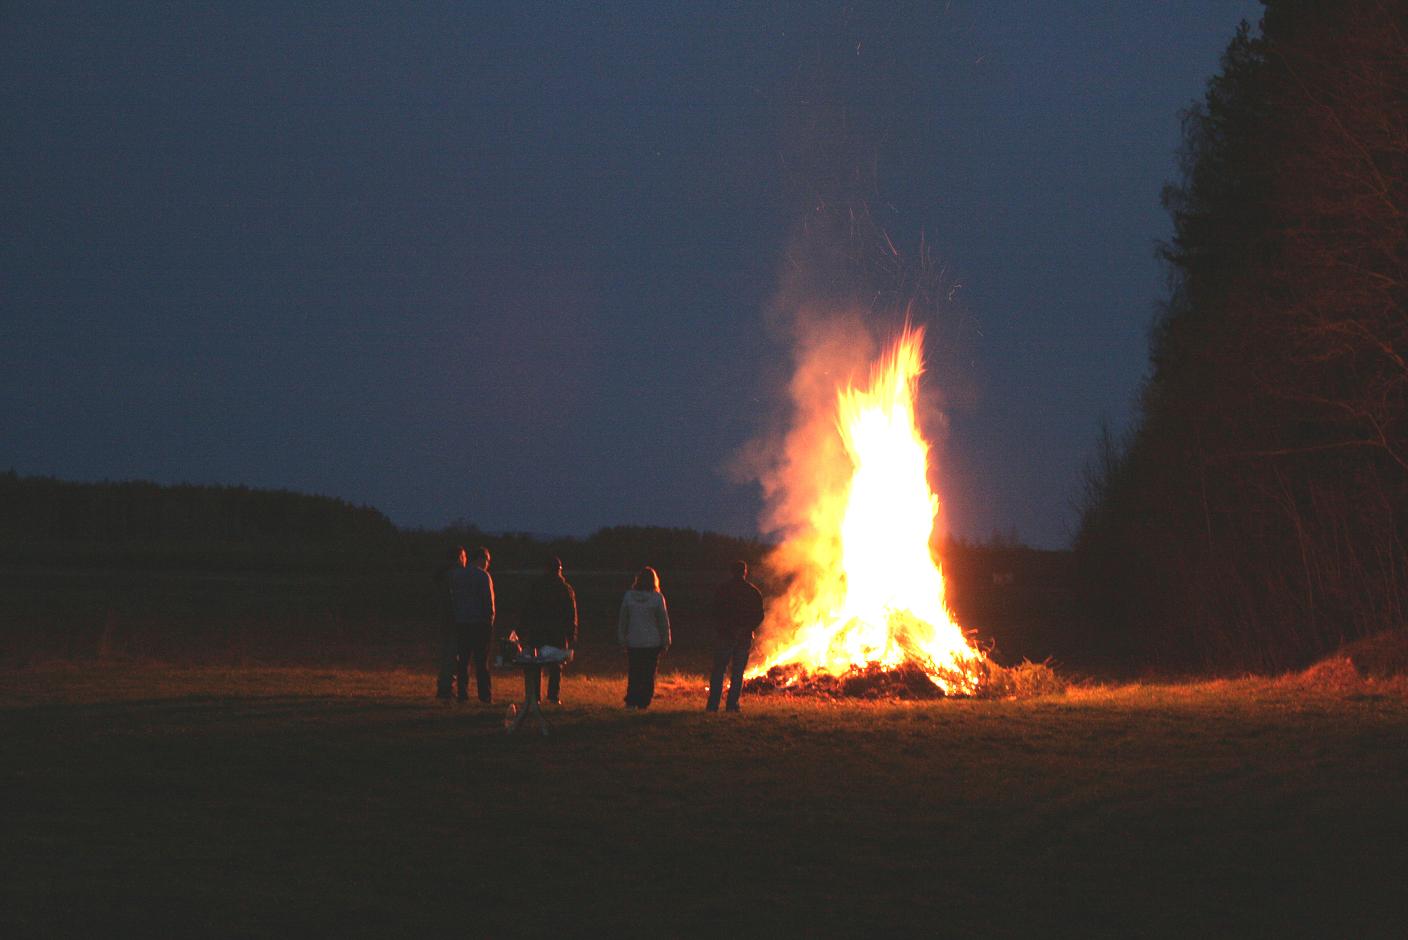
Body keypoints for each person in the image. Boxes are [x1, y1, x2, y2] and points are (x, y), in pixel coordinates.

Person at [518, 555, 579, 705]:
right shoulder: (566, 589)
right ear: (559, 570)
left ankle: (535, 696)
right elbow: (571, 613)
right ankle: (553, 696)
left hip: (538, 631)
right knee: (556, 665)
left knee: (535, 664)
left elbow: (528, 609)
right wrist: (572, 633)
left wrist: (522, 629)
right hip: (557, 632)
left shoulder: (536, 587)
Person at [438, 545, 496, 703]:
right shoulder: (484, 577)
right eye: (488, 560)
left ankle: (462, 694)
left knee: (463, 662)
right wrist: (490, 623)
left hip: (462, 623)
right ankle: (485, 695)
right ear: (482, 559)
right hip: (480, 624)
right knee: (482, 663)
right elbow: (489, 604)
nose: (488, 564)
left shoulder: (457, 576)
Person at [706, 560, 765, 713]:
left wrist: (724, 628)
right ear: (745, 572)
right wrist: (747, 628)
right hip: (743, 637)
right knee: (738, 672)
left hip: (725, 635)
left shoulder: (723, 590)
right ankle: (732, 705)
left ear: (731, 571)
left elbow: (714, 611)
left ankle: (713, 705)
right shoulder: (752, 591)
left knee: (719, 670)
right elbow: (759, 615)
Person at [617, 566, 671, 709]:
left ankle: (631, 700)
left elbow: (623, 619)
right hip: (652, 642)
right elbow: (663, 622)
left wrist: (622, 639)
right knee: (648, 674)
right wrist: (666, 641)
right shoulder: (657, 598)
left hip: (634, 641)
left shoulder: (629, 596)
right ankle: (644, 701)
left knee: (634, 672)